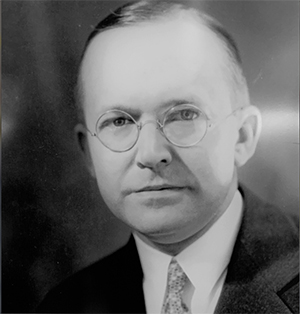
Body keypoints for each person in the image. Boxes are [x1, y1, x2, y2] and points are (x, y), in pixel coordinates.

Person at [37, 1, 299, 313]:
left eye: (183, 115)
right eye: (118, 121)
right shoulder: (64, 305)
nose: (151, 154)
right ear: (89, 153)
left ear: (242, 136)